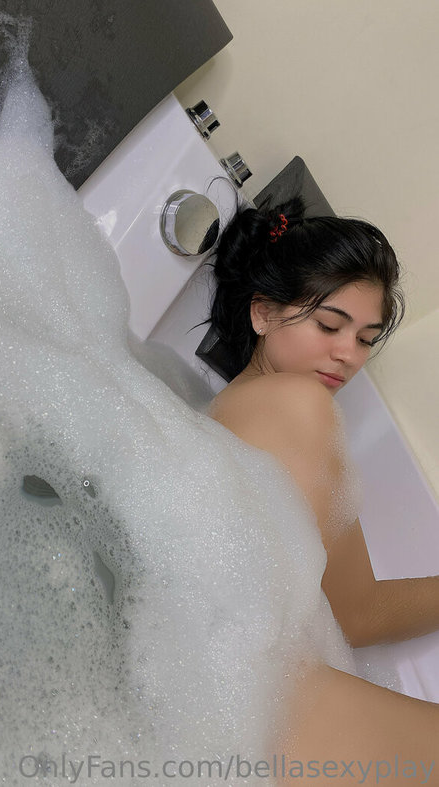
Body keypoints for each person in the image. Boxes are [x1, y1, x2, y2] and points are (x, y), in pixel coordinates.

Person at [207, 196, 439, 783]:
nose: (348, 355)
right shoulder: (300, 403)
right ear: (262, 313)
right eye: (329, 326)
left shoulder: (227, 409)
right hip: (259, 702)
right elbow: (358, 616)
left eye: (366, 338)